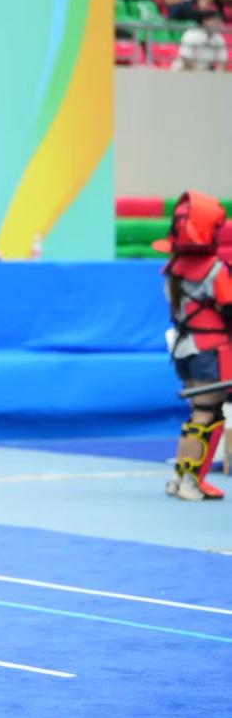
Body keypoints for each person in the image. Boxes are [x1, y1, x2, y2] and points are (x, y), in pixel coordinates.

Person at [152, 192, 229, 501]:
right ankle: (191, 482)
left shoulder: (174, 268)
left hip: (186, 349)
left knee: (198, 414)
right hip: (210, 350)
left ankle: (180, 478)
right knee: (207, 415)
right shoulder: (214, 269)